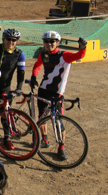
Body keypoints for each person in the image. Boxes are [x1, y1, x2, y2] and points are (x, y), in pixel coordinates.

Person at [30, 31, 87, 159]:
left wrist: (83, 47)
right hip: (43, 89)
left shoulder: (64, 55)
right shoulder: (43, 54)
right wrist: (34, 76)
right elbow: (37, 65)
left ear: (58, 42)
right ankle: (44, 140)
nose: (49, 44)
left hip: (57, 93)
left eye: (52, 41)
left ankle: (61, 147)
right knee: (42, 115)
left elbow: (80, 55)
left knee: (58, 120)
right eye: (46, 41)